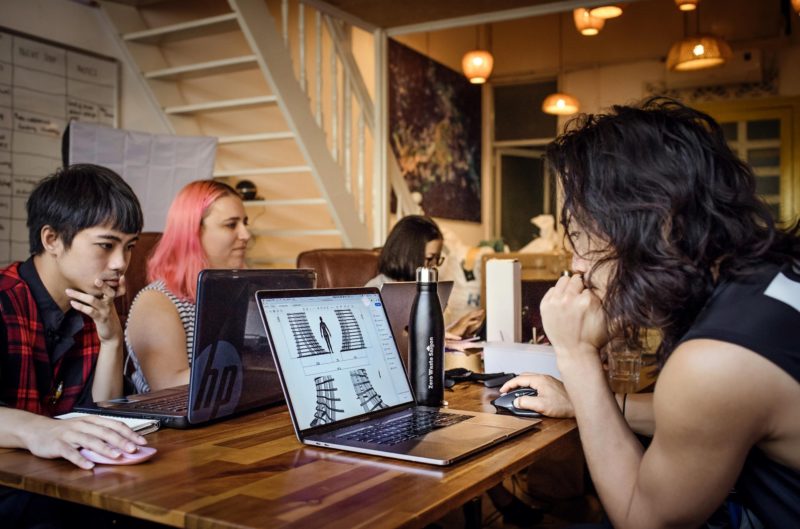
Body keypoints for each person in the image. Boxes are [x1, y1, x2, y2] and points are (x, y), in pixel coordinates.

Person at [501, 97, 800, 528]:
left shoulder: (716, 361)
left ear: (654, 223)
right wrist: (585, 402)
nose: (576, 262)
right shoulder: (767, 276)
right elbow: (709, 420)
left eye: (582, 233)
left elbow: (642, 519)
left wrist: (577, 355)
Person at [0, 164, 149, 522]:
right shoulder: (5, 300)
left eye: (128, 247)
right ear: (51, 240)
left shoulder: (91, 305)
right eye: (106, 245)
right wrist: (41, 429)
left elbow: (100, 411)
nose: (120, 263)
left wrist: (111, 339)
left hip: (58, 483)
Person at [125, 180, 251, 393]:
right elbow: (168, 386)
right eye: (231, 224)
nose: (246, 235)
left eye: (245, 223)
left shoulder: (239, 293)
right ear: (193, 232)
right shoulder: (156, 300)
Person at [366, 214, 445, 288]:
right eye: (430, 258)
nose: (434, 266)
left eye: (437, 258)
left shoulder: (427, 287)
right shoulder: (376, 289)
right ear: (408, 255)